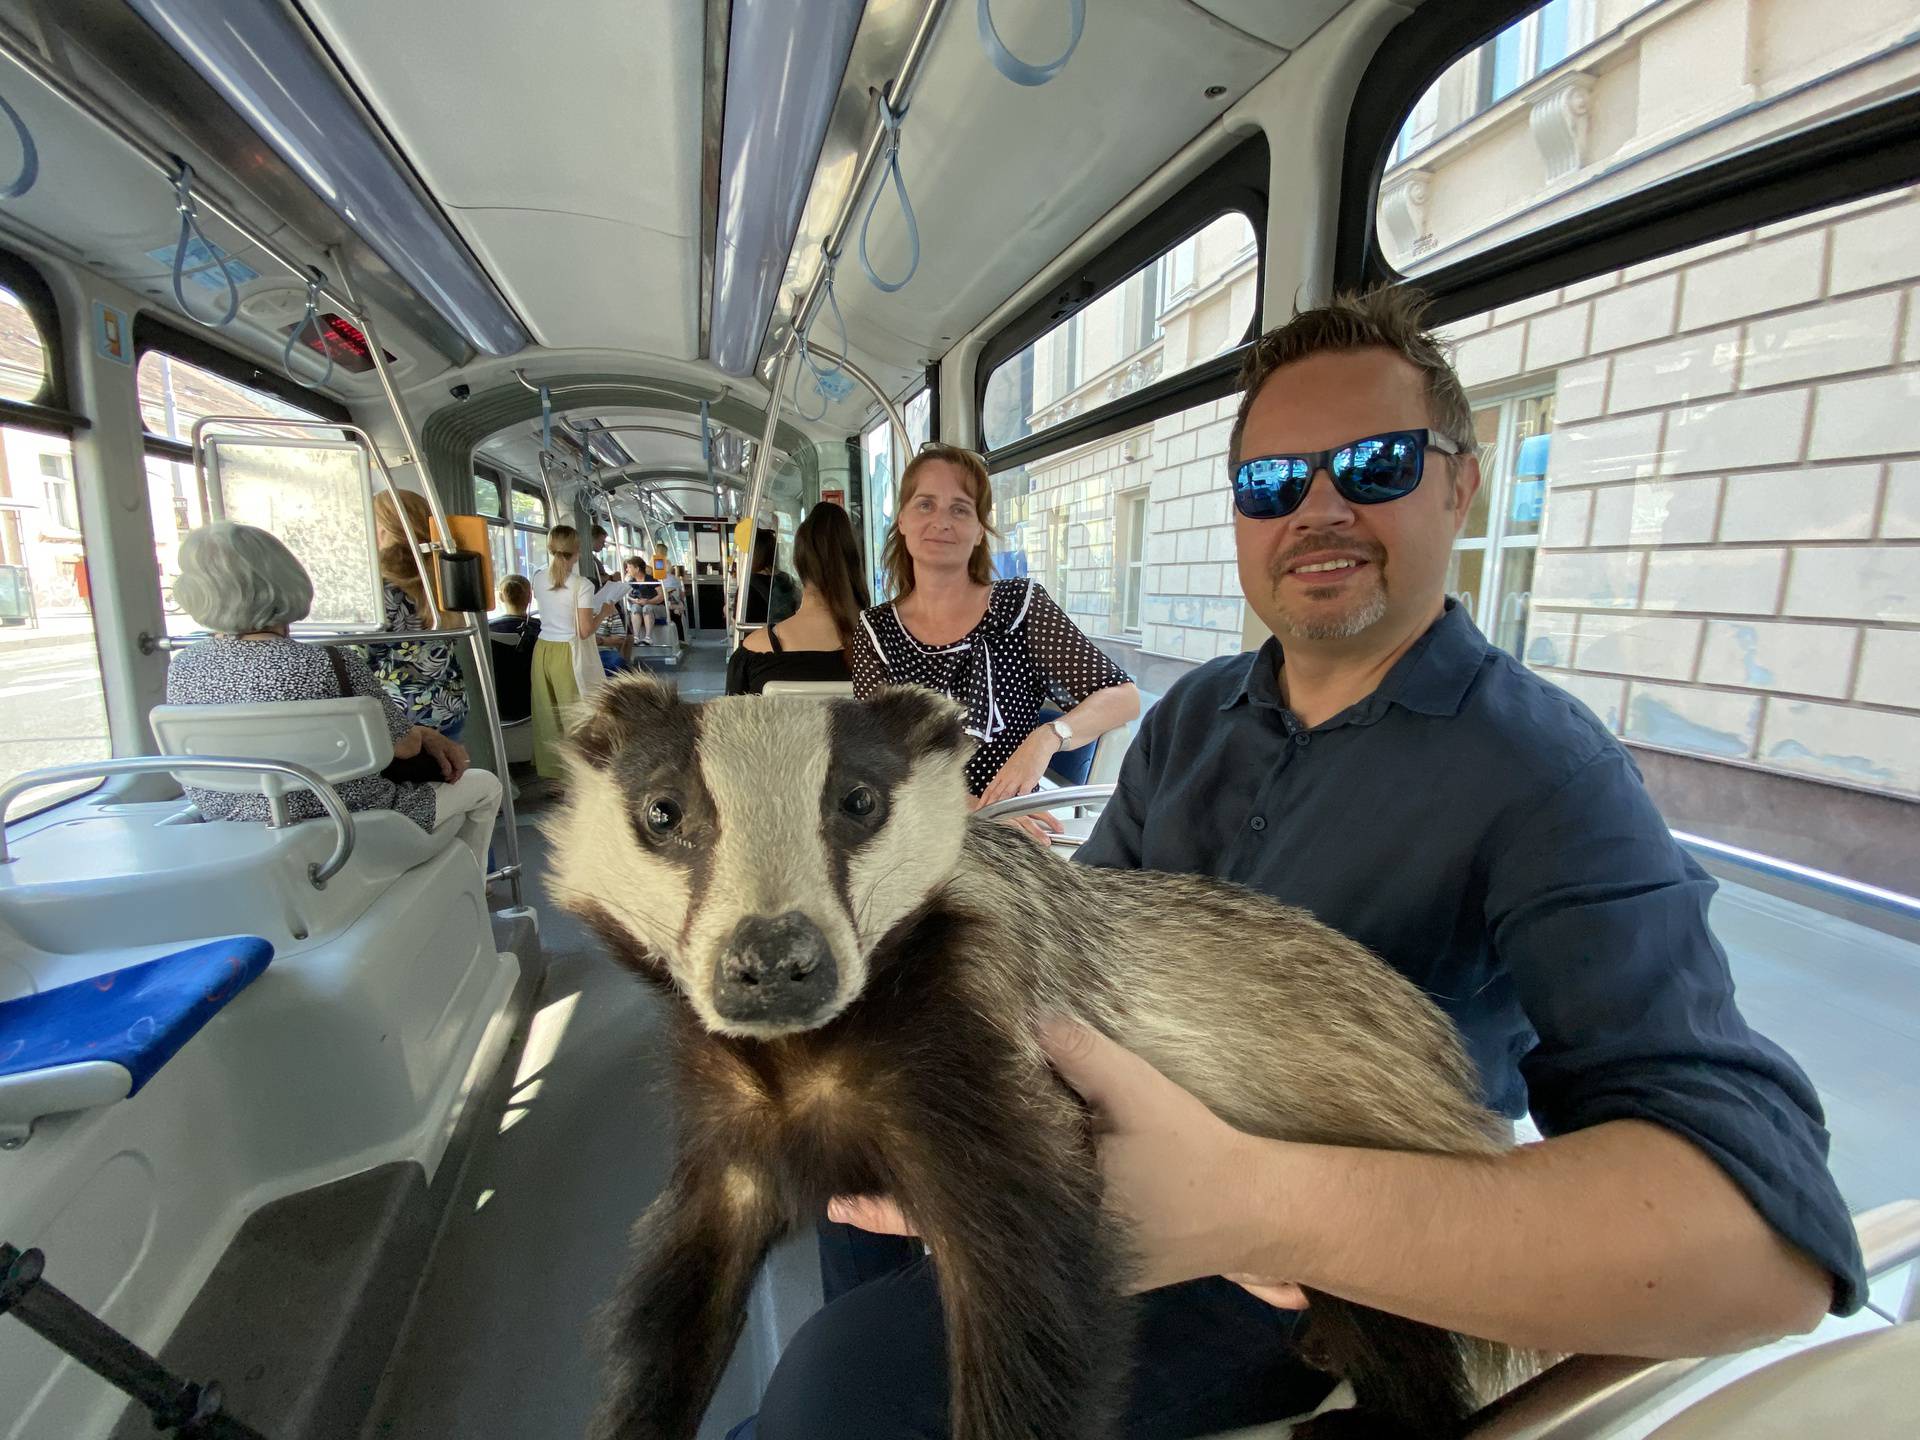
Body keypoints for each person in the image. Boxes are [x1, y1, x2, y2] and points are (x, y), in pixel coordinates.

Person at [751, 291, 1863, 1439]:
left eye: (1374, 465)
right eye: (1274, 483)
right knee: (838, 1153)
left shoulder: (1545, 773)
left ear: (1460, 481)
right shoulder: (1194, 720)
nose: (1317, 510)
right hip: (1091, 1163)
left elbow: (1769, 1243)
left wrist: (1258, 1207)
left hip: (1310, 1275)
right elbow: (1085, 942)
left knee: (837, 1390)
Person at [165, 522, 501, 870]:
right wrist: (427, 734)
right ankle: (473, 886)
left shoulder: (184, 666)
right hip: (352, 821)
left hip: (234, 825)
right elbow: (404, 747)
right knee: (485, 786)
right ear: (287, 581)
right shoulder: (329, 662)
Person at [852, 442, 1140, 834]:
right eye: (925, 504)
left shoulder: (1020, 606)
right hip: (917, 830)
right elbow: (874, 757)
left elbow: (1123, 697)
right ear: (902, 519)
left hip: (1018, 835)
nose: (942, 521)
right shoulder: (876, 630)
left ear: (978, 531)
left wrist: (1048, 737)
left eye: (960, 508)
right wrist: (969, 809)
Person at [726, 502, 870, 695]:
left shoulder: (753, 654)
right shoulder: (879, 648)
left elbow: (730, 722)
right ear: (855, 563)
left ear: (797, 563)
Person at [372, 489, 468, 740]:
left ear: (382, 531)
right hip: (447, 705)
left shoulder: (377, 587)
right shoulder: (443, 577)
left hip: (400, 720)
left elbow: (358, 658)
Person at [529, 524, 616, 784]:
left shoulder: (538, 578)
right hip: (570, 653)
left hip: (544, 650)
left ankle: (556, 774)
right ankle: (579, 774)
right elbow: (585, 630)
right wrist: (604, 613)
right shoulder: (582, 585)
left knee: (547, 715)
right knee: (578, 716)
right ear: (577, 551)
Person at [487, 574, 539, 725]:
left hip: (499, 703)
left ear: (501, 598)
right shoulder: (542, 630)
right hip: (533, 703)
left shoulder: (486, 631)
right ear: (530, 597)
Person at [743, 527, 801, 626]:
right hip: (786, 636)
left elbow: (738, 619)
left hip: (758, 637)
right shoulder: (787, 579)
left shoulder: (748, 584)